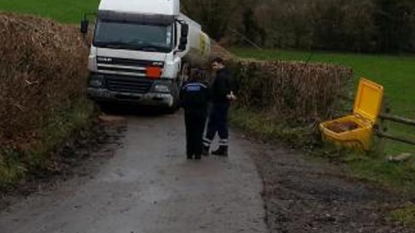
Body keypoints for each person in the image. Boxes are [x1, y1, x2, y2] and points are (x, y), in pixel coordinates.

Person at [202, 57, 236, 156]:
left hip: (218, 103)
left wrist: (226, 95)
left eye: (215, 65)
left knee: (212, 124)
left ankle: (205, 147)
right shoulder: (228, 75)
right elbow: (231, 88)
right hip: (225, 104)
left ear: (221, 64)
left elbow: (221, 90)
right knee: (222, 125)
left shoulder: (220, 76)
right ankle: (223, 148)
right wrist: (231, 95)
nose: (213, 67)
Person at [180, 68, 209, 160]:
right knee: (199, 132)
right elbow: (209, 97)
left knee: (189, 132)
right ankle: (198, 154)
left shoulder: (186, 85)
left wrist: (185, 106)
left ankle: (189, 153)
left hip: (189, 112)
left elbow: (181, 97)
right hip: (201, 112)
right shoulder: (204, 86)